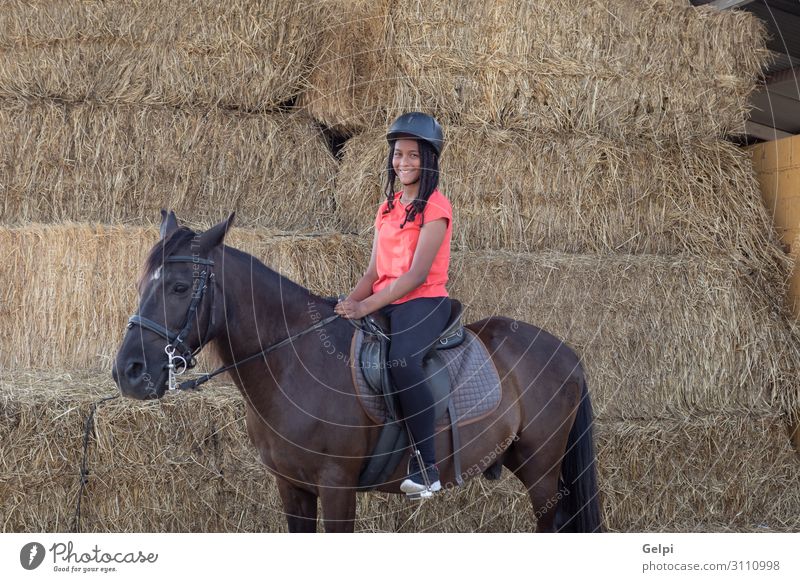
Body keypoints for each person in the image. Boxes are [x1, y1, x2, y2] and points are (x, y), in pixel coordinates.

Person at [334, 112, 453, 497]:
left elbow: (415, 275)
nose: (402, 162)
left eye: (412, 155)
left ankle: (427, 468)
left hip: (423, 301)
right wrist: (349, 302)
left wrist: (365, 308)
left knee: (402, 361)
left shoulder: (437, 208)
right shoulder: (386, 209)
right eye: (398, 154)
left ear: (429, 159)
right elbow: (373, 272)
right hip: (385, 300)